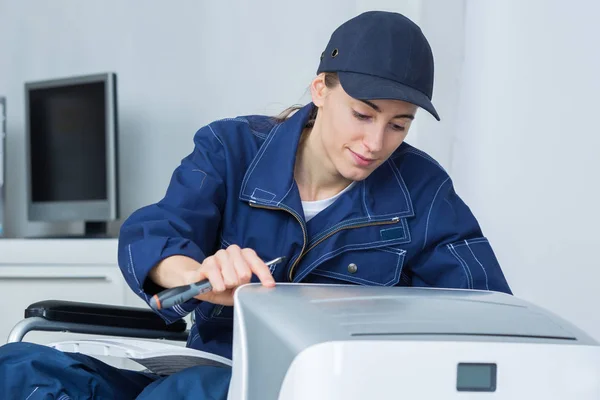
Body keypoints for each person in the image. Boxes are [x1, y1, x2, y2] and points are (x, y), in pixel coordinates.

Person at [0, 10, 511, 399]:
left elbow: (487, 315)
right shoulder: (231, 148)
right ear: (320, 91)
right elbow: (155, 232)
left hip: (318, 386)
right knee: (18, 369)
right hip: (206, 366)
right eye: (362, 114)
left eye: (398, 125)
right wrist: (199, 274)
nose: (376, 142)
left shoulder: (423, 190)